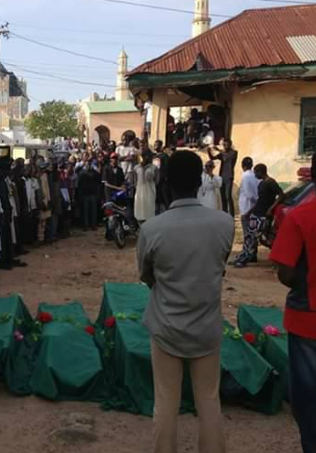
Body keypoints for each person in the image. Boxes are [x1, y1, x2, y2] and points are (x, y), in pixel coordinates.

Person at [137, 150, 233, 453]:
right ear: (199, 181)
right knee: (209, 400)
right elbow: (220, 264)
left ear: (166, 182)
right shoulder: (225, 223)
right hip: (206, 326)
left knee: (165, 402)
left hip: (166, 327)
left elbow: (146, 276)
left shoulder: (152, 229)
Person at [270, 146, 316, 453]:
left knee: (310, 400)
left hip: (308, 321)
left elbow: (285, 272)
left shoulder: (300, 217)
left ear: (312, 176)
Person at [234, 163, 284, 268]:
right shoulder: (262, 183)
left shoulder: (271, 182)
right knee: (252, 236)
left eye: (256, 172)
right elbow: (259, 200)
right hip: (257, 213)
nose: (255, 175)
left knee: (257, 237)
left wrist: (271, 208)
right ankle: (248, 256)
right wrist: (249, 212)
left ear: (261, 172)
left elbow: (281, 195)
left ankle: (245, 258)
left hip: (264, 215)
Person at [207, 138, 238, 216]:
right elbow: (212, 158)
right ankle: (224, 214)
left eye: (226, 144)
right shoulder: (222, 153)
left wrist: (218, 149)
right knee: (223, 197)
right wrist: (209, 151)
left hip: (229, 176)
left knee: (228, 196)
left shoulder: (234, 152)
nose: (224, 146)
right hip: (222, 176)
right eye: (224, 144)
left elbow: (228, 157)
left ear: (230, 144)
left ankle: (231, 215)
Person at [238, 157, 259, 261]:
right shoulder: (255, 176)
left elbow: (249, 194)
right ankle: (253, 253)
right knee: (253, 232)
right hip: (254, 208)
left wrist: (249, 208)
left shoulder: (245, 176)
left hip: (247, 208)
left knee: (247, 233)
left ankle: (247, 254)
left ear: (243, 166)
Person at [134, 150, 157, 223]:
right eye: (149, 156)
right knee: (139, 210)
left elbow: (157, 181)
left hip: (150, 192)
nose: (150, 158)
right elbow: (135, 181)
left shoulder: (154, 168)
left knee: (150, 210)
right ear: (143, 157)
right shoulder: (136, 167)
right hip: (139, 192)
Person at [78, 158, 99, 231]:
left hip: (92, 193)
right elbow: (79, 184)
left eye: (89, 163)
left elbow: (97, 181)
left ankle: (93, 225)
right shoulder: (81, 172)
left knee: (93, 211)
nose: (88, 165)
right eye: (86, 163)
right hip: (85, 194)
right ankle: (86, 225)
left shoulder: (94, 172)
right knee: (85, 211)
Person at [153, 141, 171, 213]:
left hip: (162, 181)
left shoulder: (164, 156)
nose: (155, 146)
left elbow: (167, 167)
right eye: (154, 145)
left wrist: (165, 177)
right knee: (156, 199)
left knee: (164, 198)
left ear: (160, 146)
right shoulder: (154, 156)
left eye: (156, 145)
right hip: (155, 181)